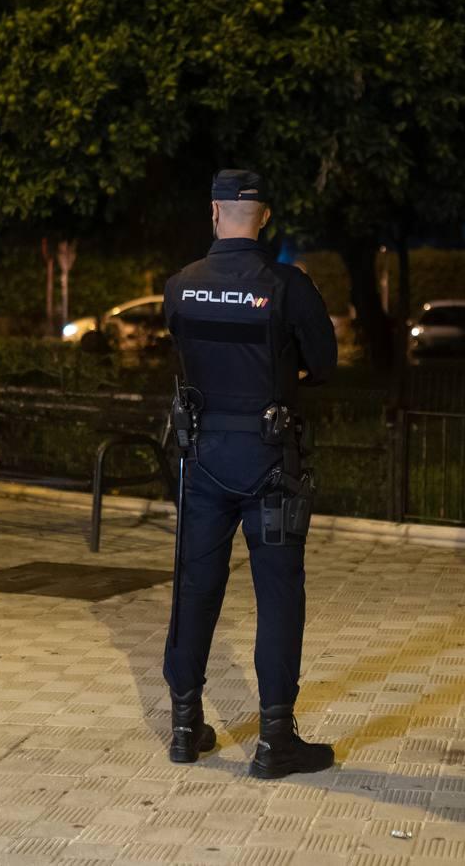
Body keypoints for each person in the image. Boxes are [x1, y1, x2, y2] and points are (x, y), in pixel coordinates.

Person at [161, 169, 339, 780]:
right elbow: (326, 364)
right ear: (263, 217)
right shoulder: (288, 286)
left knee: (194, 590)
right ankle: (273, 743)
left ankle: (184, 727)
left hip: (202, 460)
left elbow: (185, 355)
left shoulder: (180, 285)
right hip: (269, 462)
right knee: (279, 597)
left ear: (214, 212)